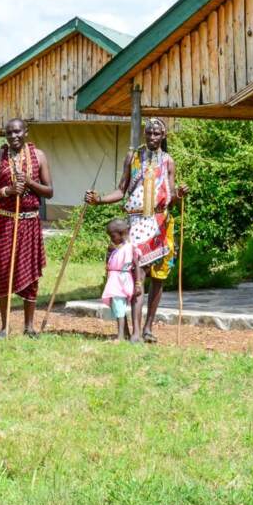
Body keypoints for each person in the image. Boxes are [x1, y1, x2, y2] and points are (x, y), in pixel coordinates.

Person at [85, 118, 187, 343]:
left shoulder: (168, 161)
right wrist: (99, 199)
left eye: (156, 134)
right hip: (136, 223)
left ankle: (148, 328)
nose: (152, 137)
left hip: (160, 222)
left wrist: (179, 196)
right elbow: (122, 190)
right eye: (148, 133)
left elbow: (170, 196)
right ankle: (133, 333)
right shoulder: (133, 157)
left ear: (163, 136)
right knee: (135, 276)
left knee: (158, 278)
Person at [0, 118, 53, 338]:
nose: (13, 136)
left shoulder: (39, 156)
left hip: (29, 221)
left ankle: (29, 326)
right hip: (4, 221)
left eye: (17, 132)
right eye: (9, 133)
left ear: (26, 132)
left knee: (31, 274)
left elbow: (49, 192)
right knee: (4, 272)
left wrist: (30, 183)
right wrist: (7, 191)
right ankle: (4, 326)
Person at [101, 218, 143, 342]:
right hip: (114, 280)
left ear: (121, 234)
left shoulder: (130, 248)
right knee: (117, 307)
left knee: (119, 307)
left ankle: (120, 336)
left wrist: (138, 283)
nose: (111, 239)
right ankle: (123, 334)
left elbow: (136, 266)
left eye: (113, 236)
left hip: (122, 281)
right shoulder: (116, 248)